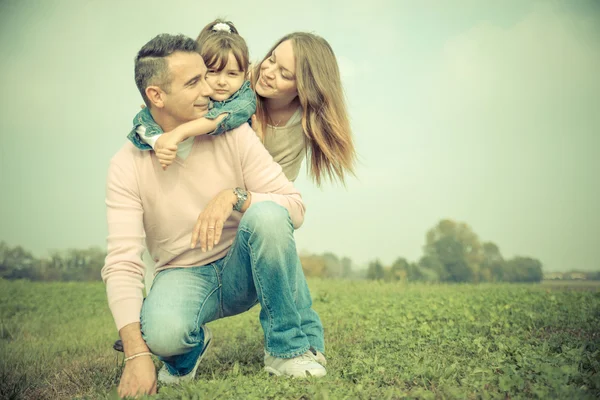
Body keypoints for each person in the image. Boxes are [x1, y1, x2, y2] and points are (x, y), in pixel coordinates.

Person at [102, 33, 327, 398]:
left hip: (244, 265)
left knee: (267, 215)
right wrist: (137, 353)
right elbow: (122, 263)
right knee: (163, 334)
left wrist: (236, 198)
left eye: (205, 76)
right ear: (156, 95)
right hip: (183, 274)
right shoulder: (125, 165)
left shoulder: (234, 131)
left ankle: (287, 350)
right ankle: (188, 348)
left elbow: (295, 207)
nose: (209, 88)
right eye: (194, 81)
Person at [127, 19, 255, 170]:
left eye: (232, 74)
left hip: (230, 163)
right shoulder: (199, 96)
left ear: (245, 75)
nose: (222, 82)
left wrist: (178, 133)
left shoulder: (245, 98)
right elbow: (142, 119)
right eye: (212, 72)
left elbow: (221, 117)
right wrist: (159, 141)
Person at [251, 32, 357, 185]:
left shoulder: (301, 127)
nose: (267, 72)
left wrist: (256, 149)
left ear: (304, 88)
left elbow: (278, 188)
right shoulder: (236, 83)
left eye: (284, 74)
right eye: (271, 59)